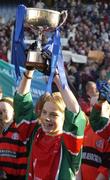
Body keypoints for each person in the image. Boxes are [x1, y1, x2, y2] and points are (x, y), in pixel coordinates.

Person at [13, 68, 86, 180]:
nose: (47, 118)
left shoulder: (69, 143)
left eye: (53, 115)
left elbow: (75, 113)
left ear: (65, 117)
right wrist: (29, 71)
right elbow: (22, 105)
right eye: (44, 112)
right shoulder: (35, 133)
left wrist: (57, 79)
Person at [0, 97, 28, 180]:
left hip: (18, 176)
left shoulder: (19, 129)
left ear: (13, 112)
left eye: (4, 110)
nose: (1, 113)